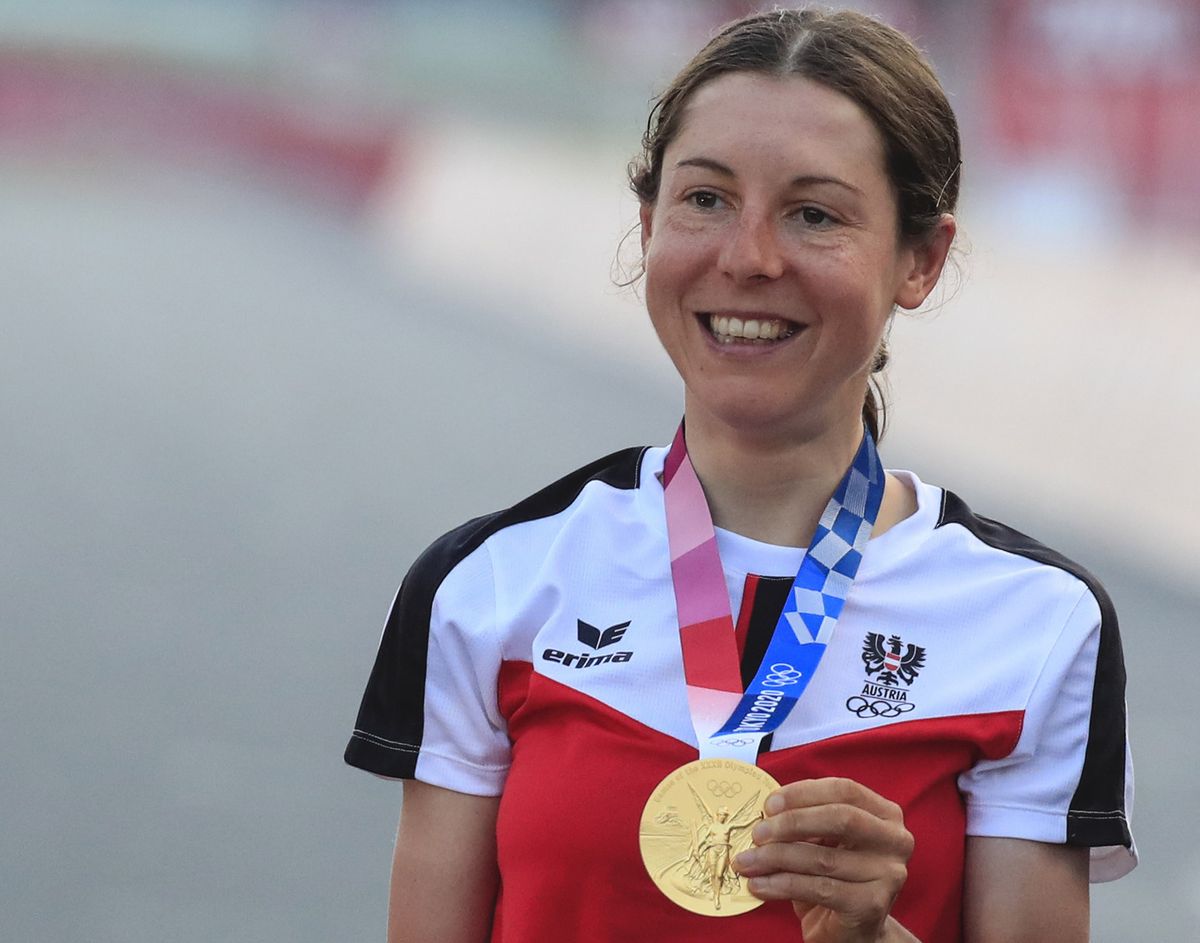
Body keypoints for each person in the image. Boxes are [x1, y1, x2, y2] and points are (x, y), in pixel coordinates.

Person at [344, 8, 1135, 942]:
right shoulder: (486, 583)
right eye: (706, 199)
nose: (749, 258)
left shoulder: (1034, 623)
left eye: (814, 214)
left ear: (920, 260)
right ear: (648, 227)